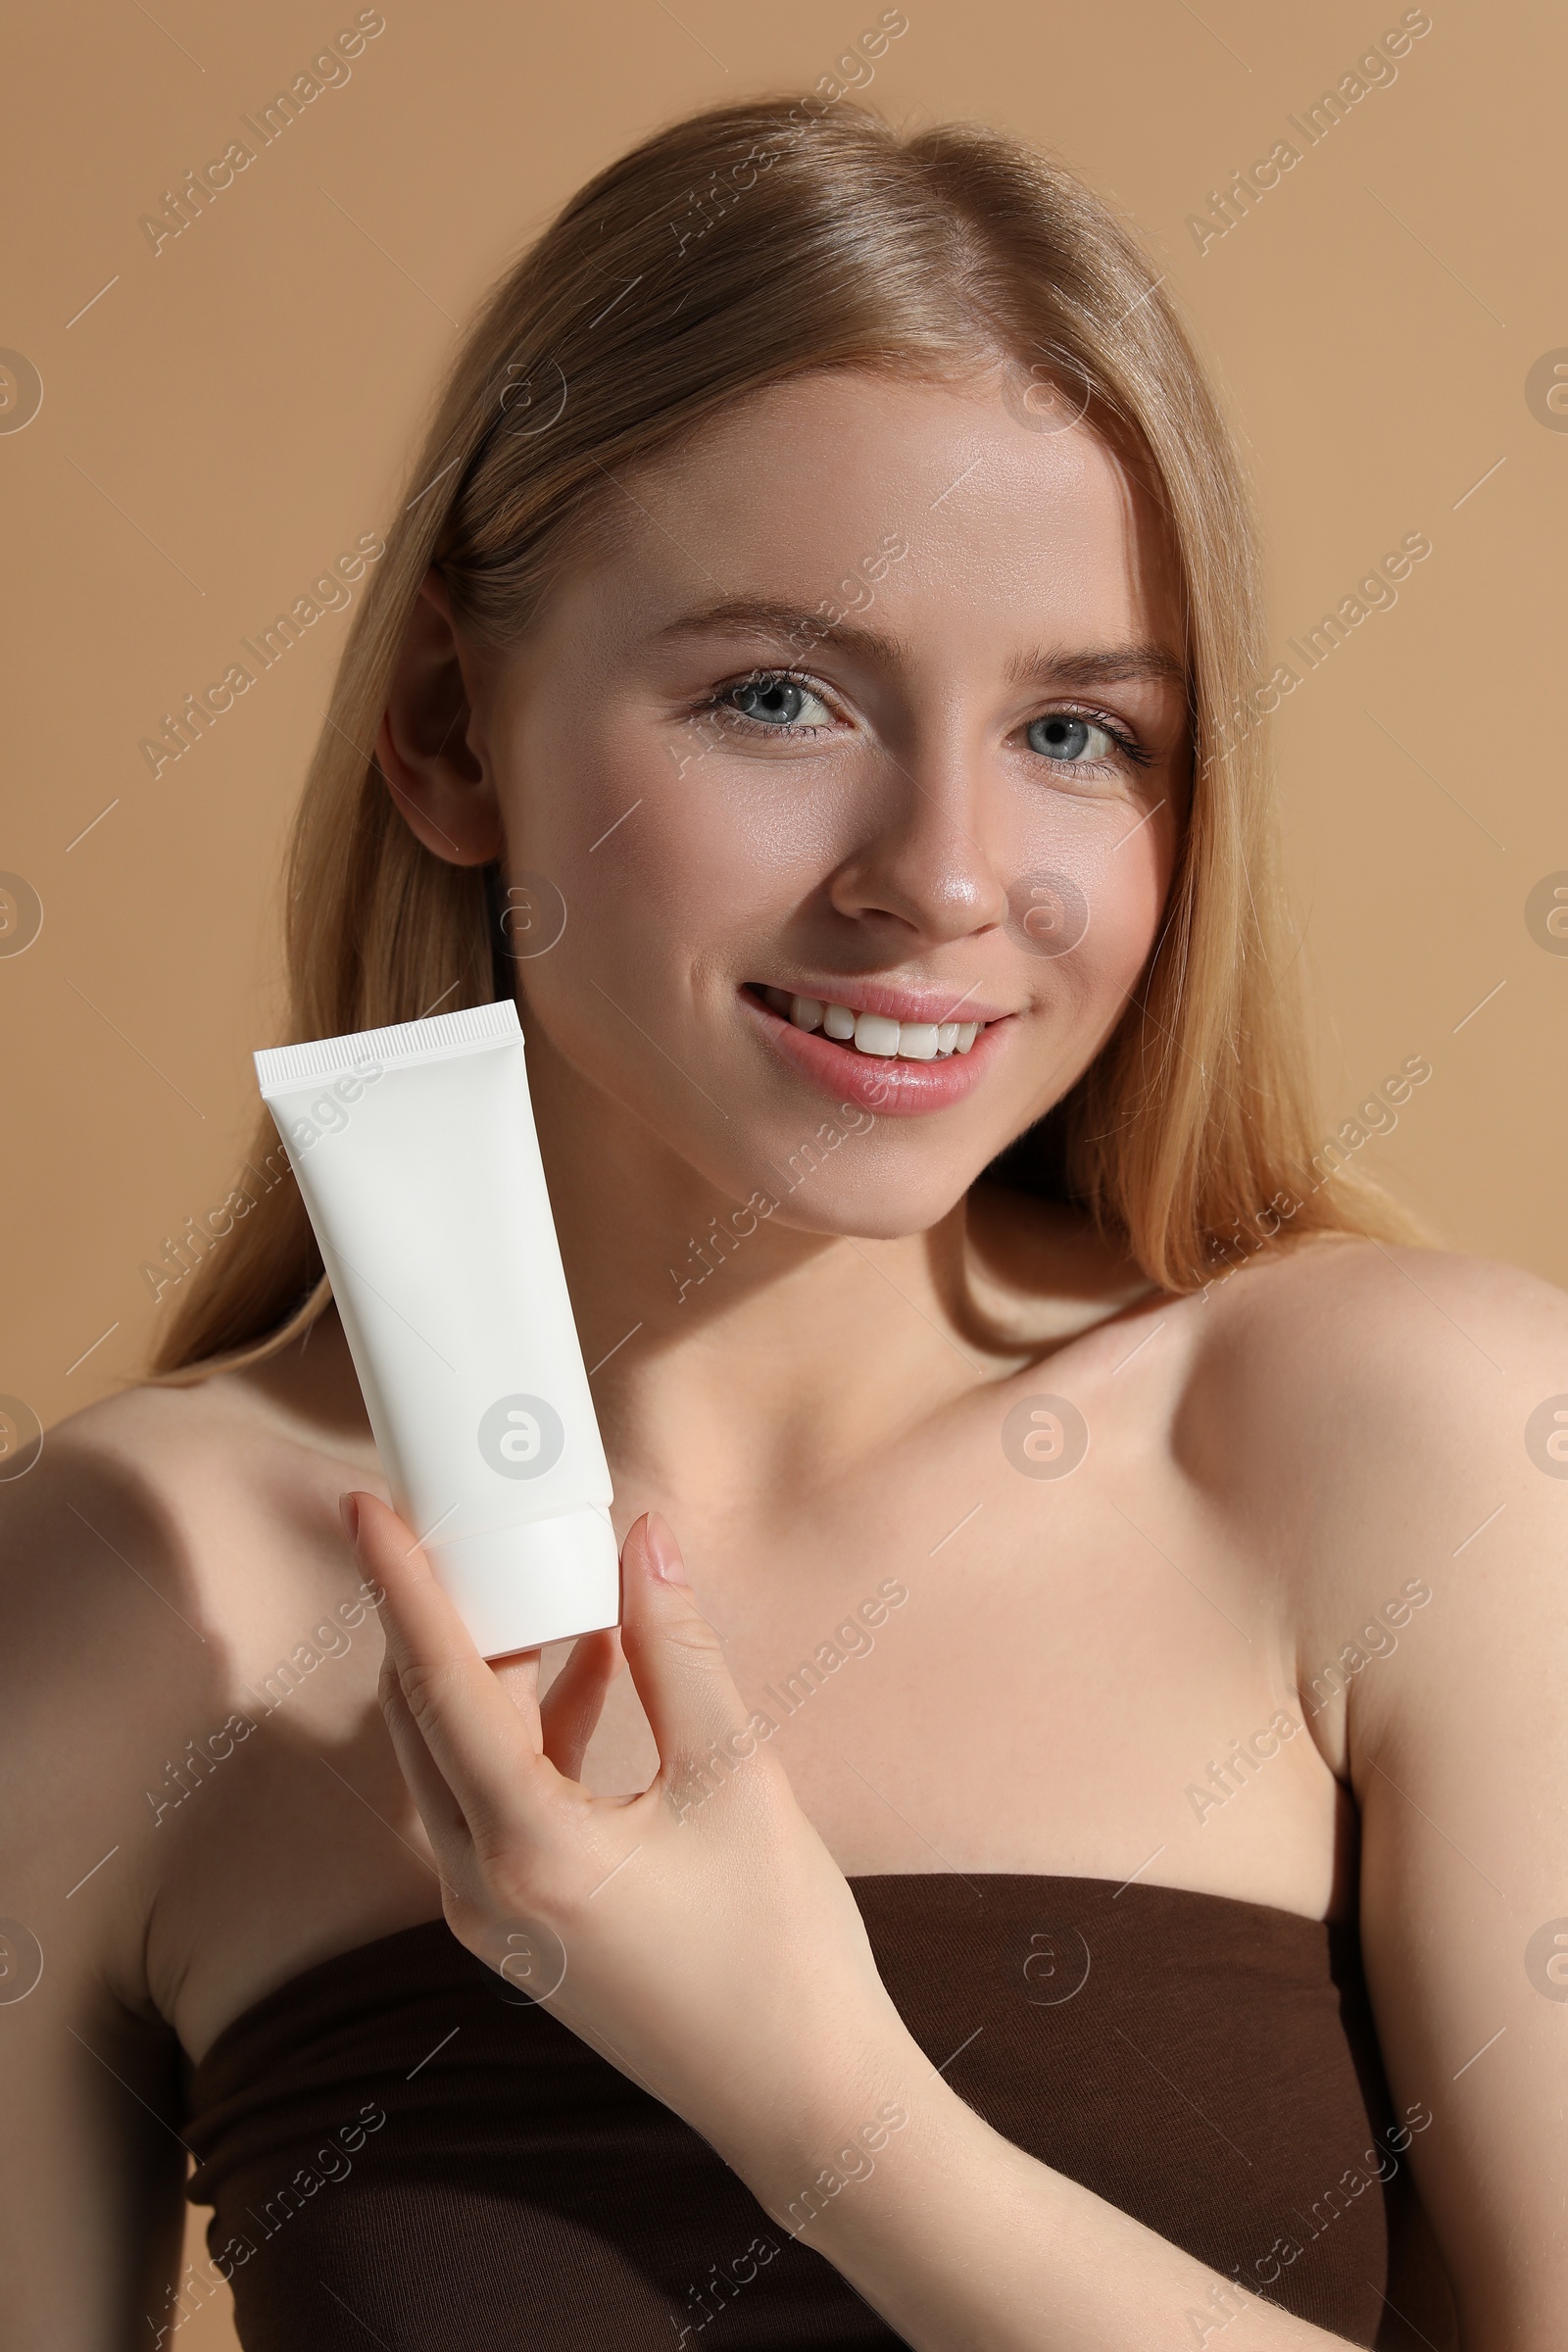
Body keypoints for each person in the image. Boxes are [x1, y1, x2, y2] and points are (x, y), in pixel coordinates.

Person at [2, 96, 1560, 2352]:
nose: (938, 873)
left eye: (1074, 733)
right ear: (450, 729)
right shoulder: (125, 1593)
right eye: (776, 695)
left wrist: (817, 2100)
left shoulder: (1398, 1449)